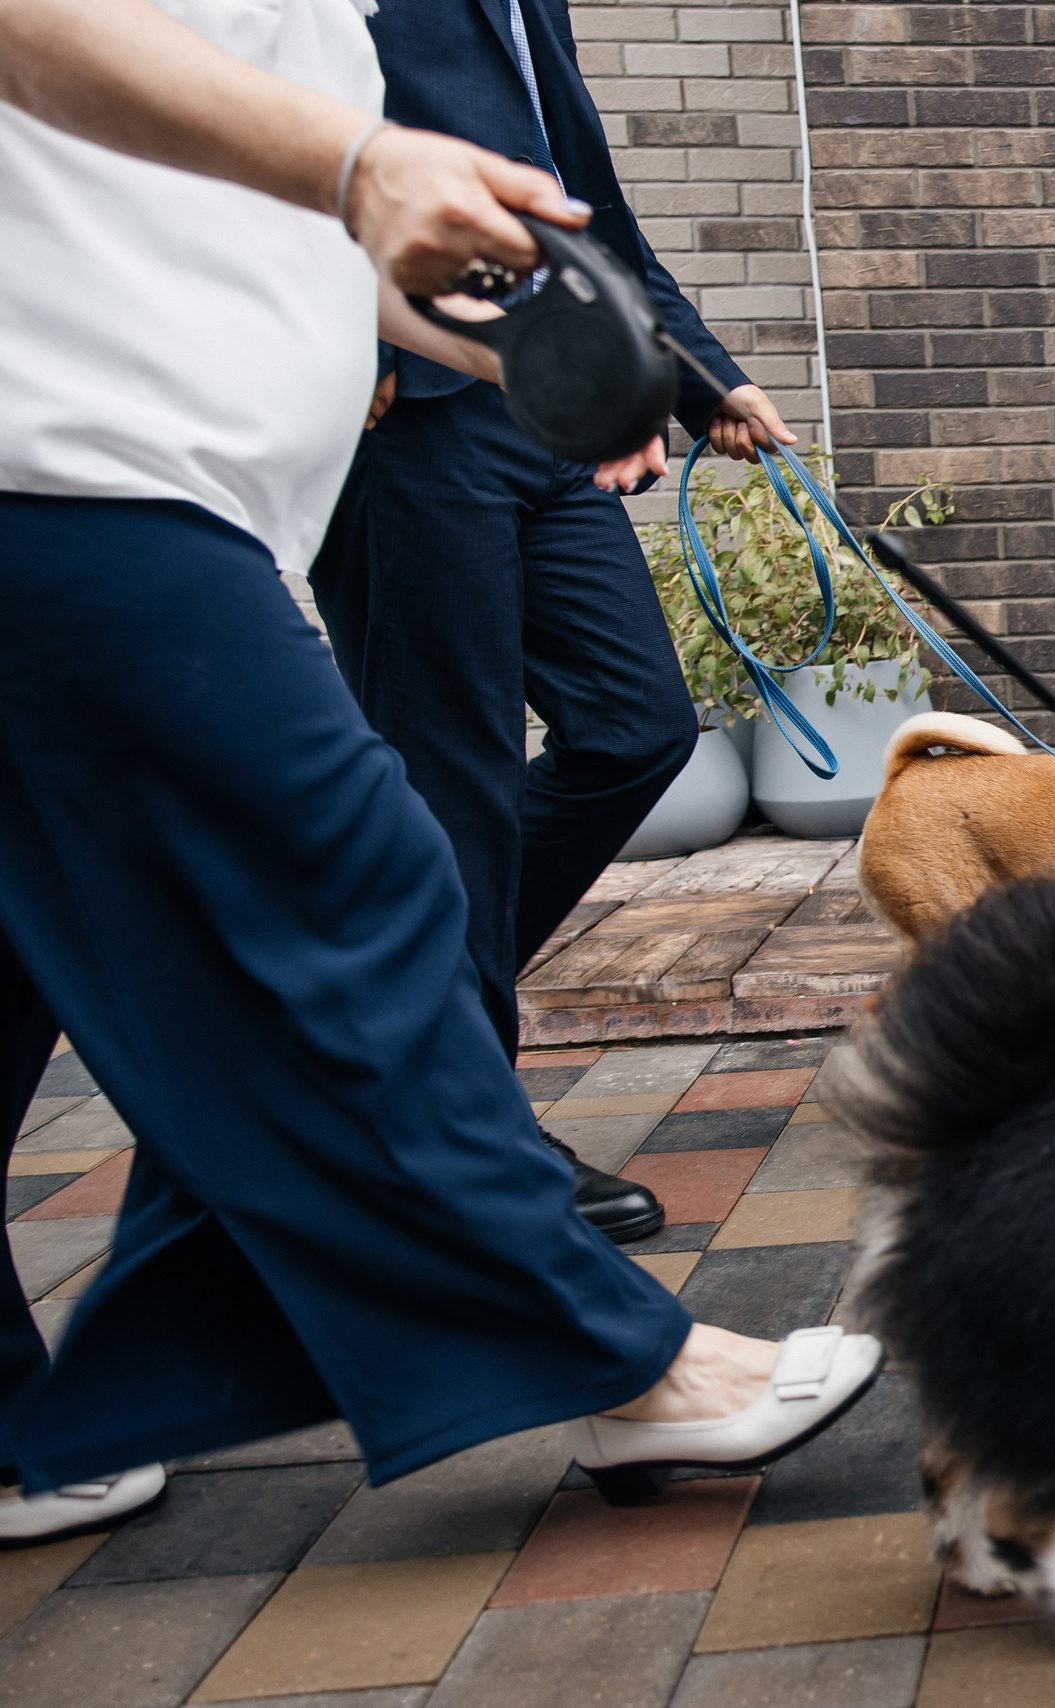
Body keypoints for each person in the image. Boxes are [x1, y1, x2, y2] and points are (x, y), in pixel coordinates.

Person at [0, 0, 874, 1544]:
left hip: (138, 476)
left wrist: (539, 347)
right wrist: (360, 166)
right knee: (360, 884)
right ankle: (619, 1362)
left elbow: (251, 221)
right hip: (69, 472)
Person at [310, 0, 802, 1245]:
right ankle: (465, 1119)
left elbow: (590, 210)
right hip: (402, 410)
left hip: (542, 405)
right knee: (453, 776)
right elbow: (287, 143)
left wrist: (701, 375)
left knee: (636, 727)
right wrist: (333, 334)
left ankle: (399, 1010)